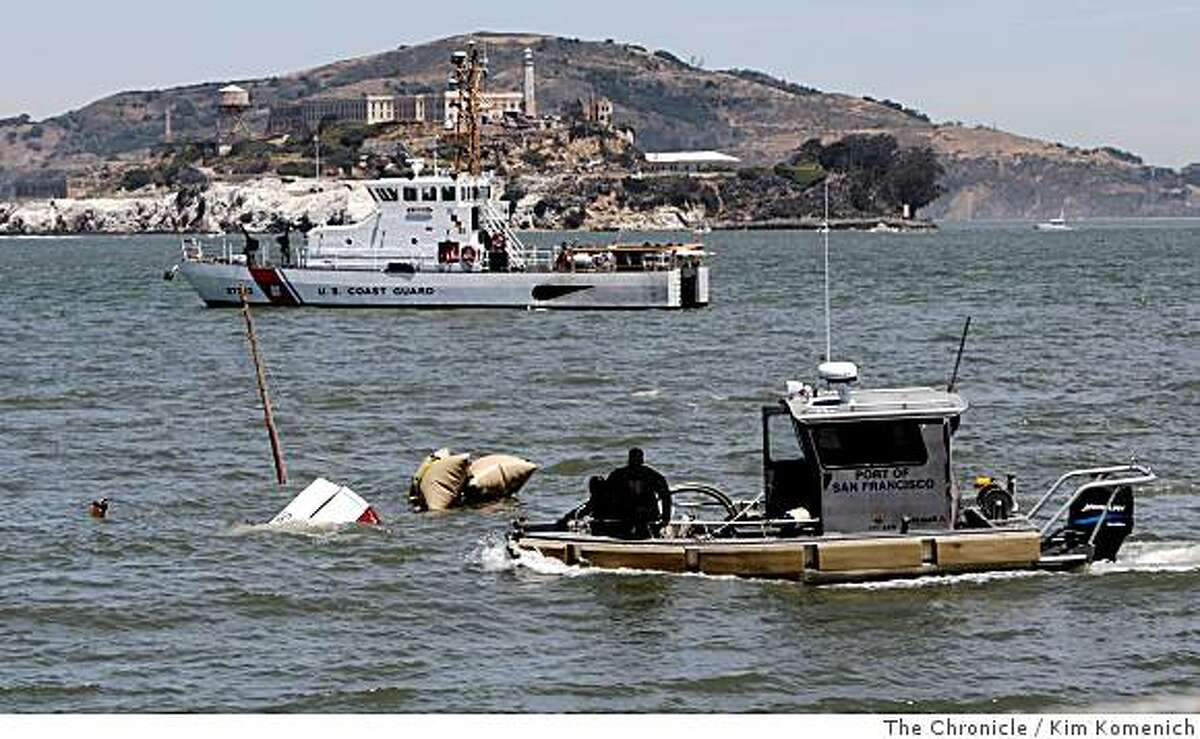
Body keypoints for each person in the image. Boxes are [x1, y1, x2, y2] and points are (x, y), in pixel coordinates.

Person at [604, 448, 671, 539]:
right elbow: (606, 495)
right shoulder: (618, 475)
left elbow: (665, 496)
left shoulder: (651, 475)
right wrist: (665, 518)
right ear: (642, 460)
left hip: (644, 514)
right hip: (627, 514)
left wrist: (666, 517)